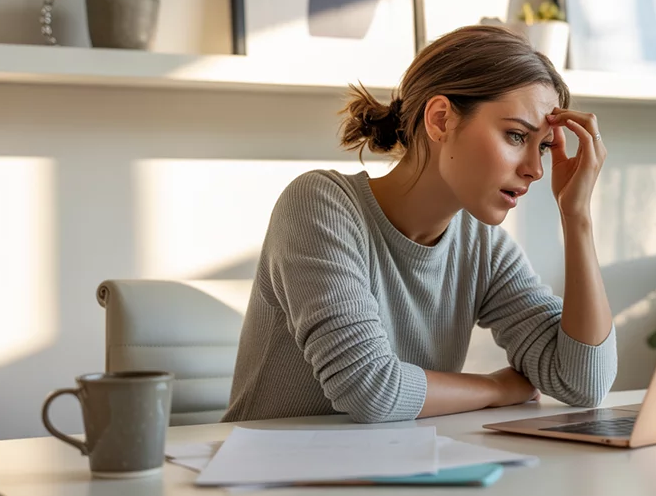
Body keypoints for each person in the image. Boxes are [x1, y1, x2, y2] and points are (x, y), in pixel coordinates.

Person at [223, 25, 617, 424]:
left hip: (389, 472)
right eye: (516, 136)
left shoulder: (483, 247)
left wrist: (576, 215)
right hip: (266, 479)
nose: (534, 169)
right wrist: (498, 388)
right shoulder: (319, 206)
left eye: (544, 147)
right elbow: (370, 390)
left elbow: (584, 382)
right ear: (441, 119)